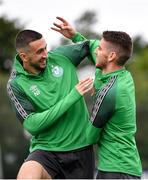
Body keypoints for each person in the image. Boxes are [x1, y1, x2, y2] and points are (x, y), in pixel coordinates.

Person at [51, 17, 142, 179]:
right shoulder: (114, 71)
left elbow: (90, 136)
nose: (95, 51)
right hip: (119, 167)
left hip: (117, 171)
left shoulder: (110, 93)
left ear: (112, 56)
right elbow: (90, 46)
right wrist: (74, 35)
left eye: (100, 49)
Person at [7, 29, 95, 179]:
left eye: (45, 48)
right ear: (24, 56)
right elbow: (32, 125)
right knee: (27, 174)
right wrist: (73, 95)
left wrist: (75, 36)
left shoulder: (62, 56)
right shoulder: (16, 84)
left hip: (81, 149)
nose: (45, 54)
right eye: (40, 51)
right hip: (46, 151)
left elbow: (97, 48)